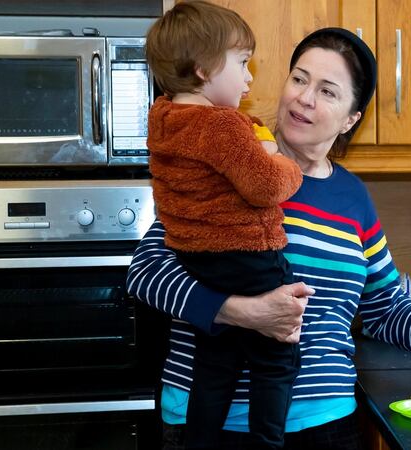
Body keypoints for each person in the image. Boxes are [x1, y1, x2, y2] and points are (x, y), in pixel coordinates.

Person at [127, 26, 411, 450]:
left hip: (325, 424)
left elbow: (384, 308)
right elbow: (147, 273)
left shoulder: (352, 198)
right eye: (299, 79)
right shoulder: (226, 165)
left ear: (351, 118)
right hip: (208, 423)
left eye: (328, 91)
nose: (305, 98)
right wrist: (241, 312)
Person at [144, 2, 303, 448]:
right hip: (248, 255)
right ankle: (267, 443)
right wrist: (283, 162)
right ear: (201, 69)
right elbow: (265, 186)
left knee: (216, 364)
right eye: (242, 63)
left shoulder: (163, 120)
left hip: (198, 261)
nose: (250, 77)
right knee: (277, 359)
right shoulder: (221, 126)